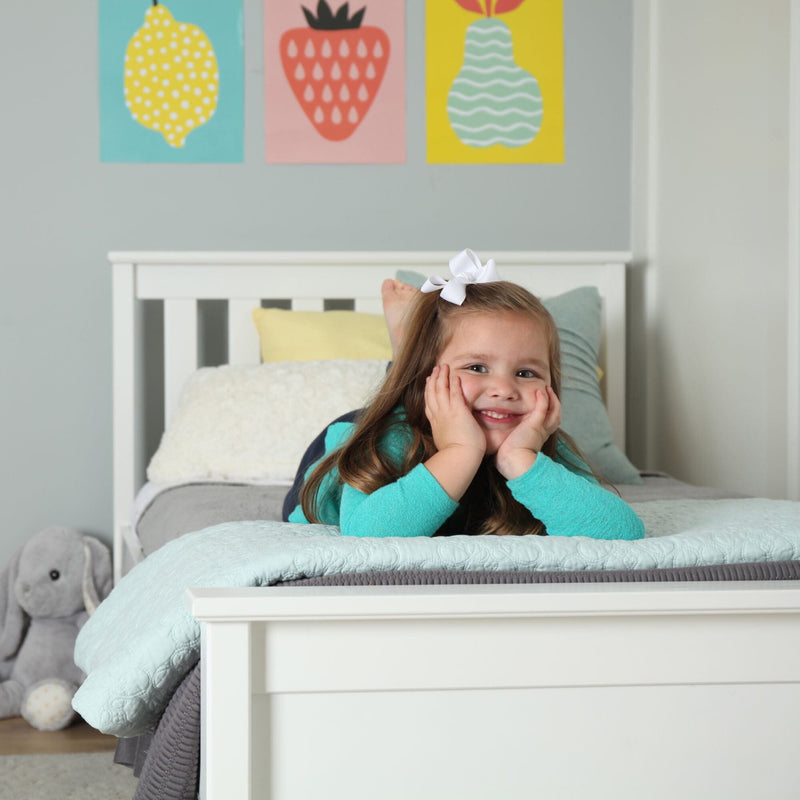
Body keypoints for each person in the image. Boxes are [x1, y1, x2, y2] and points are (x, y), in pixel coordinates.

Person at [286, 250, 645, 540]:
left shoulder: (545, 448)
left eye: (526, 373)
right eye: (477, 367)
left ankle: (411, 350)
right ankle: (406, 360)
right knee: (400, 399)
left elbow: (623, 533)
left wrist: (521, 459)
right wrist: (460, 452)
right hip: (348, 438)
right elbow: (369, 534)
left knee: (426, 385)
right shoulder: (389, 441)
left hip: (440, 396)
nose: (505, 390)